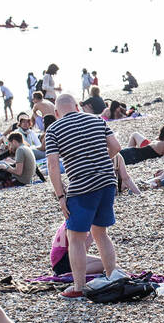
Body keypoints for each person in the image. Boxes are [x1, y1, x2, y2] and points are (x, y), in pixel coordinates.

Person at [44, 93, 124, 299]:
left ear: (56, 113)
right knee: (101, 233)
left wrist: (61, 196)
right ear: (78, 107)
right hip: (107, 182)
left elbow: (53, 166)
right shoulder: (97, 120)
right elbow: (116, 147)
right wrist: (101, 163)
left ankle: (79, 286)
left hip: (82, 186)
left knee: (76, 238)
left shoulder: (53, 129)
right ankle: (112, 275)